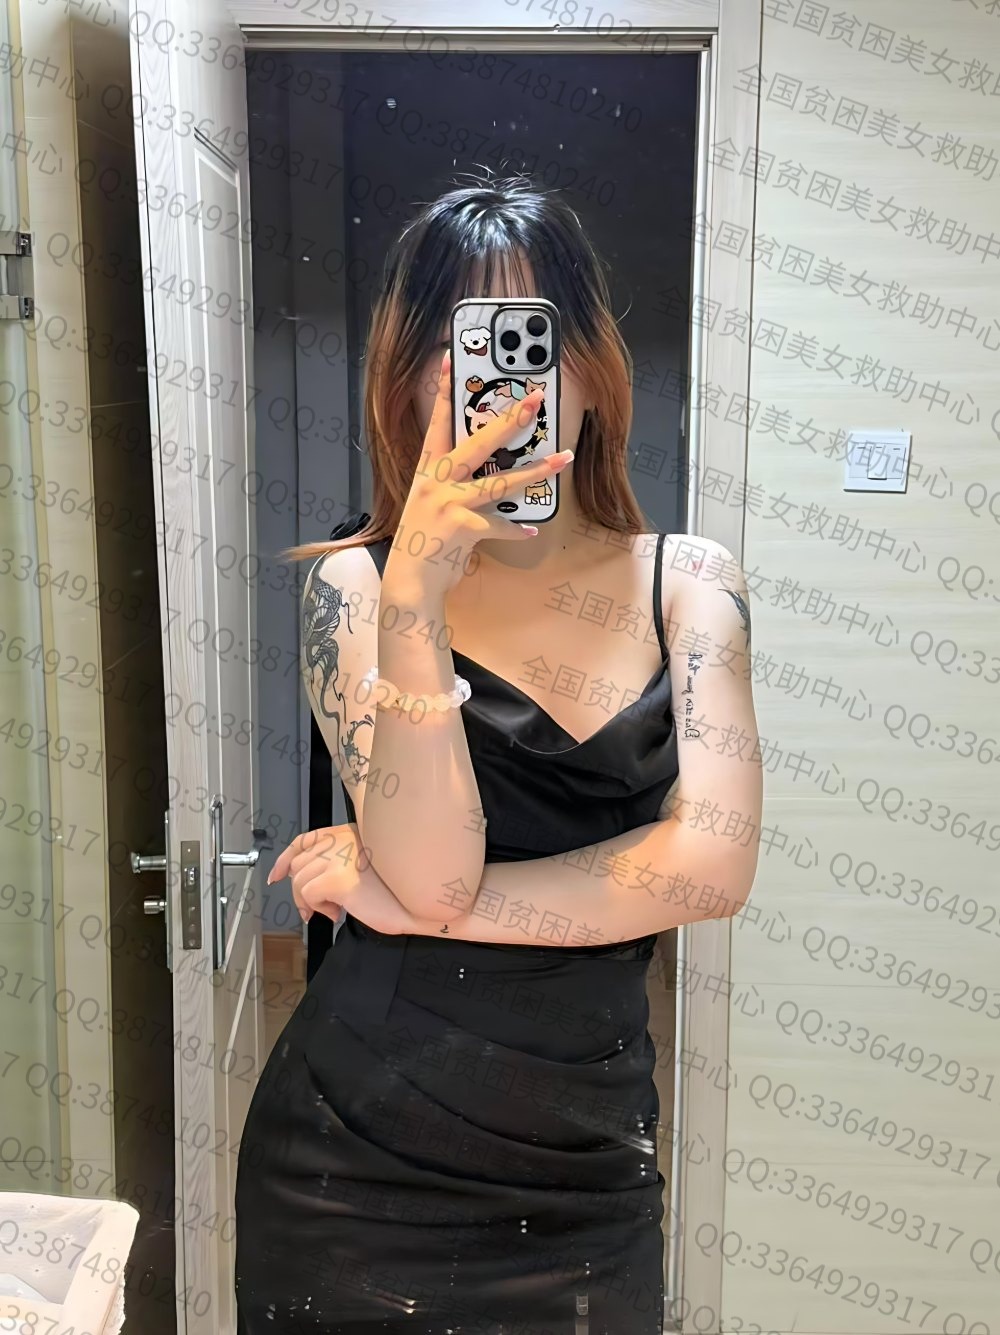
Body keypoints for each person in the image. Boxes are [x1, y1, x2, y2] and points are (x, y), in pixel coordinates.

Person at [234, 173, 763, 1335]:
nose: (496, 385)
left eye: (530, 339)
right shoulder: (356, 586)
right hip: (350, 1169)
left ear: (593, 370)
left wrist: (418, 906)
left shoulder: (689, 584)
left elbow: (711, 869)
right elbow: (434, 875)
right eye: (460, 344)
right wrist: (416, 603)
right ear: (407, 376)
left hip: (587, 1167)